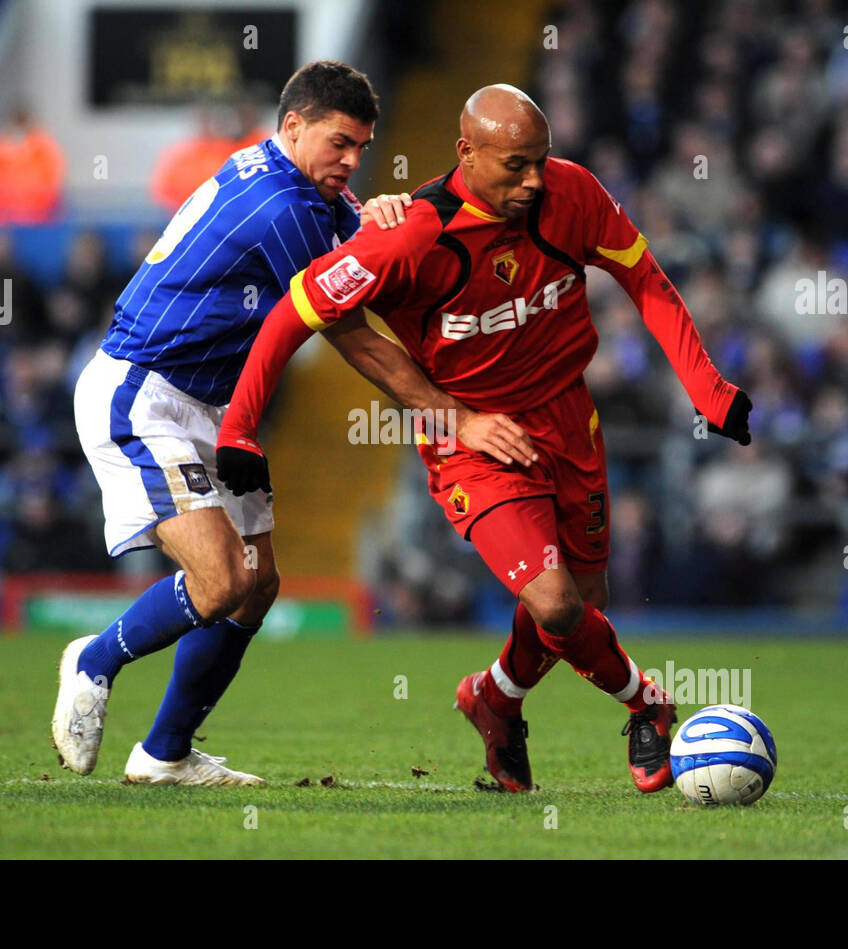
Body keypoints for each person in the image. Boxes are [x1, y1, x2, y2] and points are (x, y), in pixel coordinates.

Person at [216, 85, 753, 792]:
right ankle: (647, 701)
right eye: (515, 166)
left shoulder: (574, 193)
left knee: (580, 606)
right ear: (466, 152)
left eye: (541, 161)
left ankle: (495, 700)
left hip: (569, 420)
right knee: (557, 604)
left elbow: (644, 278)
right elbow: (296, 311)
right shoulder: (407, 235)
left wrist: (707, 388)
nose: (533, 181)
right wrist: (238, 427)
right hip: (471, 437)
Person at [54, 62, 529, 787]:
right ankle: (94, 659)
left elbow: (358, 238)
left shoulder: (302, 187)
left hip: (211, 406)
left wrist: (383, 214)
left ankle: (165, 753)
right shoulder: (281, 206)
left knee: (259, 582)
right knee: (217, 582)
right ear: (293, 127)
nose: (351, 160)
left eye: (362, 149)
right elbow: (352, 335)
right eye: (340, 143)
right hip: (143, 395)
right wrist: (450, 415)